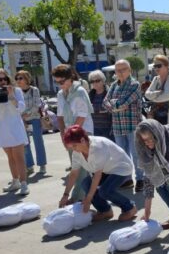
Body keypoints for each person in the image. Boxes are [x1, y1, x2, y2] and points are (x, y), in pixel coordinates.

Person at [59, 125, 137, 222]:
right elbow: (74, 173)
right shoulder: (77, 152)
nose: (73, 149)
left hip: (120, 168)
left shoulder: (98, 147)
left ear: (83, 140)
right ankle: (105, 211)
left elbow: (97, 176)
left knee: (105, 191)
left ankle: (129, 207)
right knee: (85, 183)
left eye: (74, 146)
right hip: (105, 169)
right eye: (71, 147)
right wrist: (65, 195)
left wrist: (88, 199)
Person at [55, 64, 94, 202]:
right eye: (57, 82)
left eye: (62, 82)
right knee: (75, 165)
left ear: (70, 78)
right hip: (69, 134)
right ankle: (82, 196)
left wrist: (71, 137)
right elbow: (59, 116)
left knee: (82, 168)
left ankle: (78, 198)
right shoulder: (60, 94)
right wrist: (62, 135)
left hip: (82, 133)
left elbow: (82, 117)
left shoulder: (80, 91)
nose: (60, 85)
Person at [0, 69, 30, 196]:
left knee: (19, 157)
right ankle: (15, 181)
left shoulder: (16, 90)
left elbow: (21, 108)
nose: (3, 82)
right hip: (2, 127)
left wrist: (11, 96)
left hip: (15, 127)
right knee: (10, 157)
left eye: (5, 78)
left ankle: (24, 184)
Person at [105, 59, 144, 192]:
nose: (120, 73)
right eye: (117, 70)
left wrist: (114, 105)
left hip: (133, 125)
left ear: (129, 70)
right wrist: (117, 106)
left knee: (136, 153)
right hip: (117, 126)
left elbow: (125, 102)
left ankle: (140, 179)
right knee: (121, 154)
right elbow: (105, 102)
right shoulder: (113, 85)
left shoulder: (135, 84)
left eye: (123, 69)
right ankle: (127, 179)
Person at [17, 70, 47, 175]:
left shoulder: (34, 90)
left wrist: (27, 114)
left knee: (38, 142)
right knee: (25, 144)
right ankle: (29, 166)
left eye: (20, 78)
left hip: (34, 118)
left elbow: (37, 104)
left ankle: (42, 165)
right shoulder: (17, 92)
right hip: (22, 121)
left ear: (27, 79)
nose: (18, 81)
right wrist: (22, 117)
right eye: (17, 78)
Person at [145, 54, 169, 125]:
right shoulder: (156, 79)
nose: (156, 68)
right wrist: (158, 92)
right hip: (156, 117)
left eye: (159, 66)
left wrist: (152, 98)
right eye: (155, 66)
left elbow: (166, 96)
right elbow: (147, 94)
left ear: (167, 66)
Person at [87, 70, 114, 140]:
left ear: (103, 81)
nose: (94, 83)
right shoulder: (90, 94)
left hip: (108, 128)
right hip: (95, 128)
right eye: (92, 81)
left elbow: (113, 108)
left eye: (97, 80)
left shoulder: (109, 93)